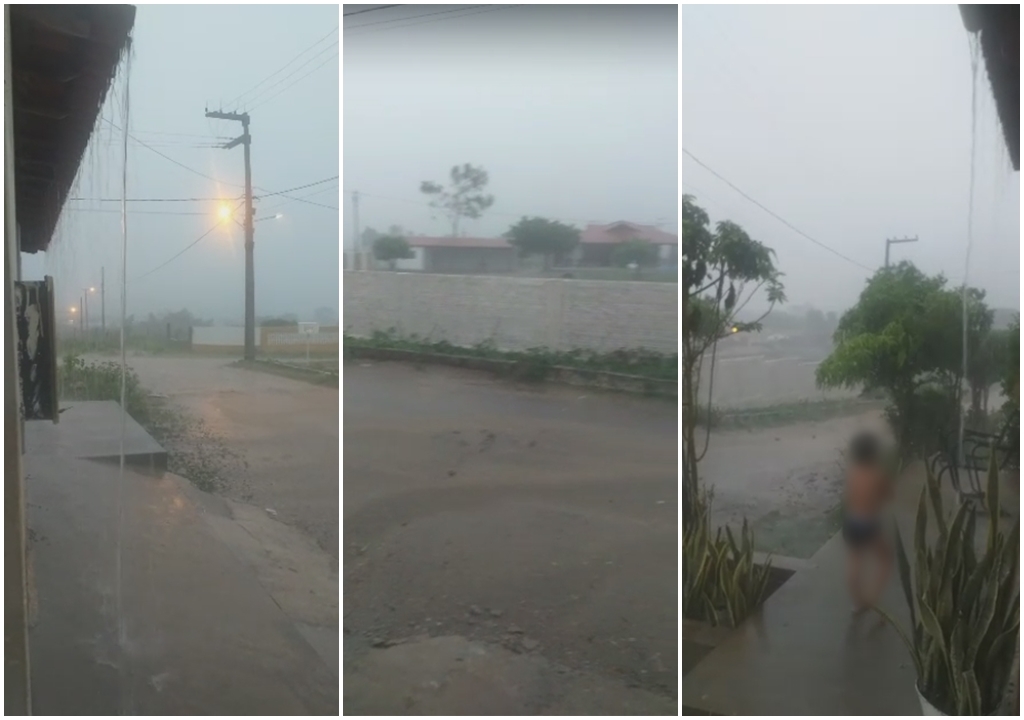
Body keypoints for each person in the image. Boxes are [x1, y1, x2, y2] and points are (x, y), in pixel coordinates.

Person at [842, 430, 893, 611]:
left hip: (851, 521)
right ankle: (873, 597)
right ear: (874, 453)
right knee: (886, 559)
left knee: (855, 561)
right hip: (869, 523)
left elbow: (849, 497)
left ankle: (857, 602)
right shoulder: (878, 473)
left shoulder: (852, 472)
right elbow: (888, 495)